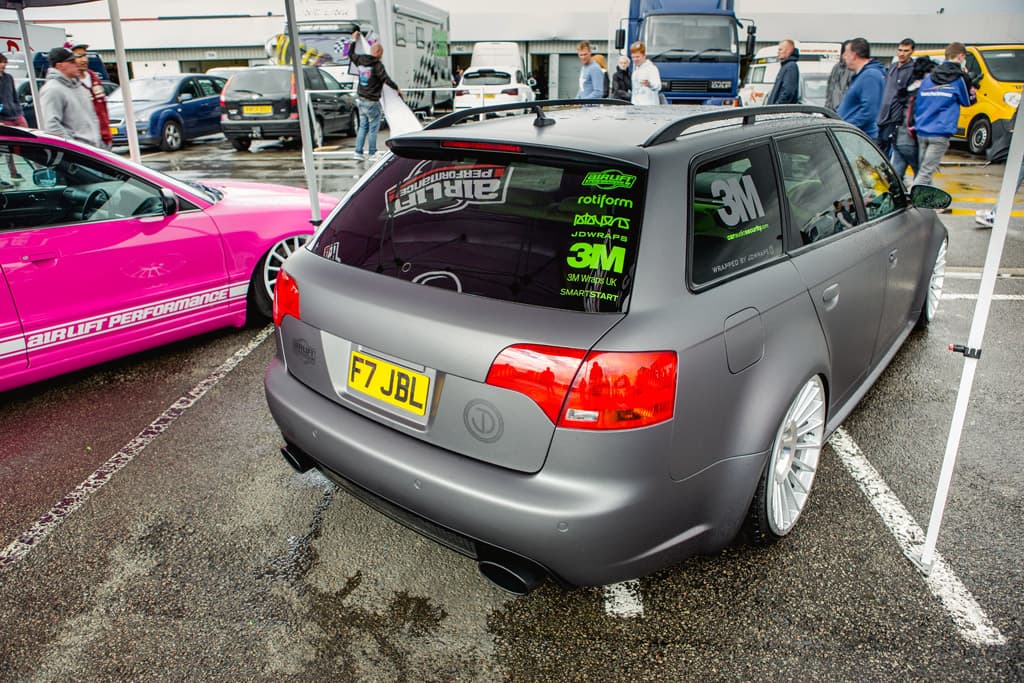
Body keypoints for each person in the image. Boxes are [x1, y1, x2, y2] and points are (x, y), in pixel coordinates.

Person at [912, 42, 972, 187]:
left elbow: (919, 101)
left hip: (922, 128)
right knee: (926, 172)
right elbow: (967, 101)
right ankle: (912, 200)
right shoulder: (959, 78)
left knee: (924, 170)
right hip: (940, 131)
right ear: (961, 56)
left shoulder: (929, 77)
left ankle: (929, 202)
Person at [349, 30, 401, 159]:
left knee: (362, 127)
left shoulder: (360, 60)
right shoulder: (377, 65)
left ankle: (358, 152)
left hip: (361, 99)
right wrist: (397, 88)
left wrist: (354, 40)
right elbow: (386, 79)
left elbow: (350, 54)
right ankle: (372, 152)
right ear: (379, 53)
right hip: (372, 100)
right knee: (373, 127)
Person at [38, 46, 101, 148]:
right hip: (78, 154)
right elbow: (52, 126)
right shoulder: (52, 89)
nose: (77, 63)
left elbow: (92, 117)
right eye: (72, 61)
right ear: (60, 65)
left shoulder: (80, 87)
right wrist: (75, 148)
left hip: (93, 149)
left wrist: (98, 142)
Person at [891, 56, 936, 180]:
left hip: (898, 136)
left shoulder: (909, 88)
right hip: (912, 140)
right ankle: (921, 199)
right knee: (921, 177)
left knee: (896, 176)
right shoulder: (924, 92)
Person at [837, 37, 885, 138]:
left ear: (854, 55)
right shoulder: (861, 75)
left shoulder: (870, 76)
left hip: (859, 138)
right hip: (854, 135)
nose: (844, 57)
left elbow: (869, 112)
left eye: (846, 53)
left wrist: (847, 127)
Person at [875, 38, 916, 157]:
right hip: (882, 115)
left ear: (912, 51)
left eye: (906, 51)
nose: (902, 54)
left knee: (887, 150)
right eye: (900, 50)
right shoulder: (892, 67)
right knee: (878, 147)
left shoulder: (912, 70)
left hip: (895, 118)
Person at [70, 42, 112, 150]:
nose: (84, 60)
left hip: (103, 138)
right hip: (83, 141)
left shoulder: (94, 78)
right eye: (78, 56)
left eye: (84, 55)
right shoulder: (70, 83)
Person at [0, 53, 28, 187]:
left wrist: (19, 110)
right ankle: (13, 172)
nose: (3, 65)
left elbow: (14, 96)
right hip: (4, 118)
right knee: (6, 148)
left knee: (31, 141)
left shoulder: (8, 78)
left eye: (4, 62)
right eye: (1, 62)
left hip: (16, 114)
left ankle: (40, 169)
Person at [766, 39, 800, 105]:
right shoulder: (785, 66)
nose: (778, 52)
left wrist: (777, 107)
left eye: (780, 50)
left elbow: (788, 92)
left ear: (789, 50)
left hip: (780, 112)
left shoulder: (791, 66)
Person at [629, 41, 661, 106]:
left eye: (637, 57)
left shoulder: (651, 68)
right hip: (636, 108)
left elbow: (658, 86)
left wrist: (650, 84)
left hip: (649, 109)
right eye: (633, 57)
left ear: (644, 56)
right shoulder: (635, 71)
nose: (635, 59)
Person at [825, 40, 852, 111]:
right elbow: (830, 89)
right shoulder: (836, 67)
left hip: (845, 111)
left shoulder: (853, 69)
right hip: (833, 111)